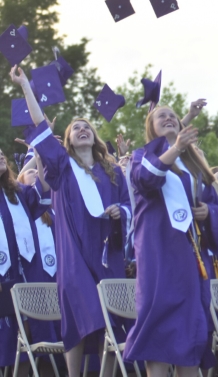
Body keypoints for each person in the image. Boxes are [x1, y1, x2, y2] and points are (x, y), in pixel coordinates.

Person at [11, 66, 130, 377]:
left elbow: (131, 208)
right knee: (81, 316)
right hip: (74, 257)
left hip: (107, 255)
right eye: (74, 127)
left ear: (94, 137)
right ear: (67, 139)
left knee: (113, 321)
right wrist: (25, 84)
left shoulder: (113, 173)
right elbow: (40, 126)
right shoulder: (62, 167)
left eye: (86, 126)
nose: (81, 129)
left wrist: (121, 212)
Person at [126, 104, 218, 376]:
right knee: (158, 329)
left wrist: (207, 212)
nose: (168, 118)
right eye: (161, 116)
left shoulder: (192, 164)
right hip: (158, 257)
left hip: (190, 259)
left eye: (173, 115)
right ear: (151, 127)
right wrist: (174, 147)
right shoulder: (143, 156)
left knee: (191, 329)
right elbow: (146, 180)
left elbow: (215, 205)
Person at [0, 147, 57, 375]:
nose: (1, 157)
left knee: (33, 329)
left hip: (29, 269)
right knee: (9, 335)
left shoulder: (18, 192)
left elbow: (43, 195)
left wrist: (40, 160)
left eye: (2, 154)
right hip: (4, 274)